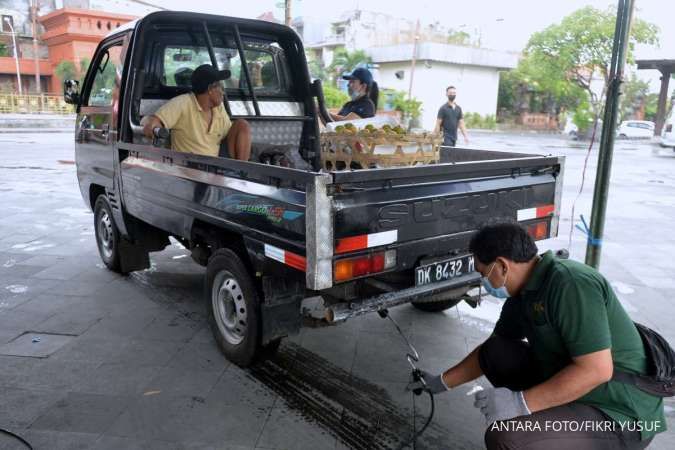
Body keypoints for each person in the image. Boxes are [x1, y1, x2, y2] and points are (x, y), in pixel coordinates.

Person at [407, 222, 665, 449]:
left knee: (507, 438)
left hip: (619, 414)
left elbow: (597, 371)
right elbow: (491, 350)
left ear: (502, 265)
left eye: (483, 272)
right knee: (496, 351)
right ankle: (551, 429)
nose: (483, 280)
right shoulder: (525, 292)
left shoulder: (570, 284)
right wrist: (440, 382)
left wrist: (520, 403)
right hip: (579, 391)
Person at [142, 64, 251, 160]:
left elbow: (228, 134)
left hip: (216, 168)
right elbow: (154, 121)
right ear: (210, 89)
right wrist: (153, 126)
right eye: (220, 87)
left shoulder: (219, 108)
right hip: (188, 169)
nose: (223, 92)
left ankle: (242, 174)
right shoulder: (182, 103)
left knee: (242, 125)